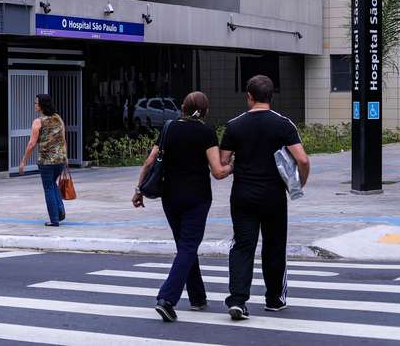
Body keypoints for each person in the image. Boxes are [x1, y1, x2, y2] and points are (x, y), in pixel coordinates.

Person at [131, 91, 233, 322]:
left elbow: (149, 162)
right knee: (188, 247)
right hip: (197, 198)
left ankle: (197, 298)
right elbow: (218, 171)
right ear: (205, 111)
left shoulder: (168, 128)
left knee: (185, 246)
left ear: (182, 107)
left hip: (170, 198)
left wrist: (139, 190)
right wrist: (233, 166)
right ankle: (167, 299)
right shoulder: (206, 132)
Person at [219, 75, 310, 320]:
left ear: (249, 96)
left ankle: (238, 300)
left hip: (242, 195)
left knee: (242, 246)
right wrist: (298, 183)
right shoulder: (283, 124)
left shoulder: (234, 125)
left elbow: (223, 162)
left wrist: (236, 162)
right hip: (273, 196)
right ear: (271, 96)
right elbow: (302, 159)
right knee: (274, 246)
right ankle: (274, 299)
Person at [20, 94, 68, 227]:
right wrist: (65, 157)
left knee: (48, 188)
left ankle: (54, 220)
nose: (34, 105)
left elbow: (31, 144)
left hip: (46, 162)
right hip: (60, 160)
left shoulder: (38, 122)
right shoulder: (58, 118)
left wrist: (24, 161)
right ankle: (60, 211)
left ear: (41, 105)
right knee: (53, 184)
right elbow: (63, 140)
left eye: (36, 103)